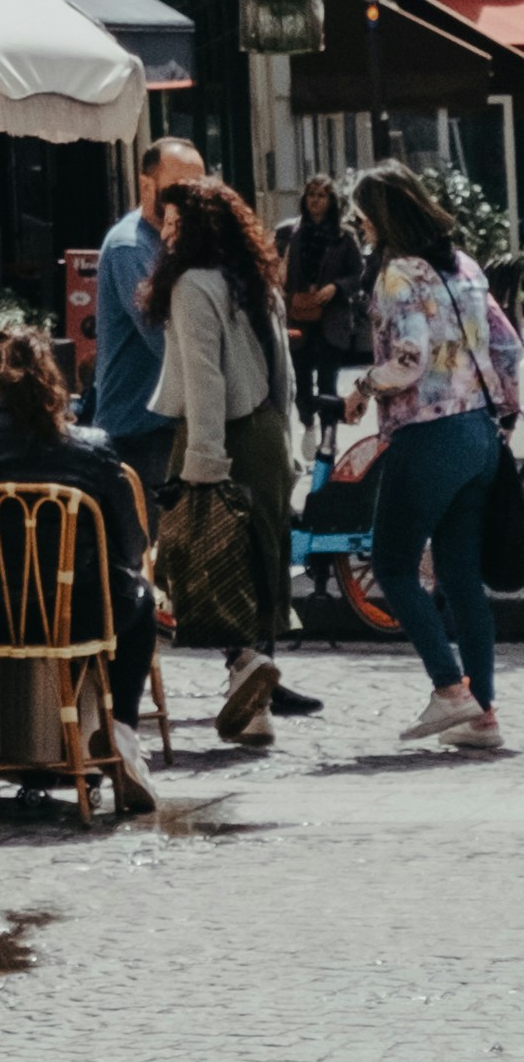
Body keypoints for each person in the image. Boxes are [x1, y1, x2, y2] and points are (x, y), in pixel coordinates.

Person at [0, 321, 160, 815]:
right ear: (52, 383)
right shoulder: (93, 445)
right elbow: (130, 546)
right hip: (74, 616)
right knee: (140, 598)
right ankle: (121, 731)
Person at [348, 167, 515, 758]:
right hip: (480, 435)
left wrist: (364, 386)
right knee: (461, 577)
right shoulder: (465, 266)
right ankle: (484, 714)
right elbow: (509, 346)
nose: (360, 230)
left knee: (393, 565)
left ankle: (449, 689)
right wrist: (506, 412)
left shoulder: (398, 274)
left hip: (429, 433)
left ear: (381, 219)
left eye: (362, 219)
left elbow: (410, 358)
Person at [150, 180, 307, 741]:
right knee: (258, 558)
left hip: (218, 435)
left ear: (193, 229)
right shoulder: (257, 281)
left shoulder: (192, 285)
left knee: (205, 560)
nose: (164, 234)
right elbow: (285, 374)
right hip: (265, 431)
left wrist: (204, 464)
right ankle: (255, 699)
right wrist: (288, 444)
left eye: (171, 224)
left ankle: (244, 666)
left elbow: (204, 378)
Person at [89, 146, 199, 488]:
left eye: (198, 188)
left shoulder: (180, 242)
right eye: (179, 186)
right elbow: (165, 339)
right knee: (151, 540)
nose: (190, 198)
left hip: (168, 426)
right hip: (139, 433)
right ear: (146, 186)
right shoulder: (131, 246)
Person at [280, 170, 375, 417]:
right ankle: (308, 424)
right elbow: (280, 272)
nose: (315, 200)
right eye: (311, 195)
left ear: (331, 201)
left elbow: (359, 275)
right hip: (299, 314)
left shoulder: (344, 236)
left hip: (332, 319)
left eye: (322, 195)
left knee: (327, 383)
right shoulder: (293, 234)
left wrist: (336, 288)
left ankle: (328, 441)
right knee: (301, 382)